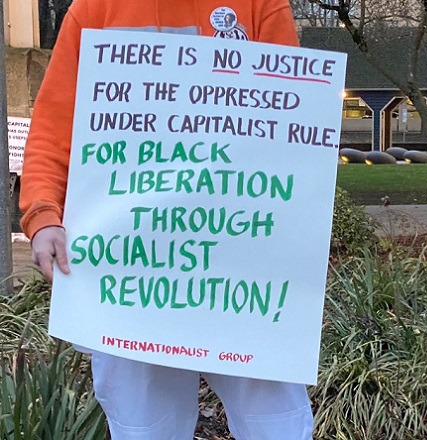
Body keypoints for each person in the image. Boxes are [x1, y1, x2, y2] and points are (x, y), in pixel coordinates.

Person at [19, 1, 312, 439]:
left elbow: (295, 118)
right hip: (128, 265)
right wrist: (43, 215)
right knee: (144, 426)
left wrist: (297, 221)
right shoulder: (94, 9)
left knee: (276, 422)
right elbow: (55, 126)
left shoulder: (260, 4)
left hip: (241, 262)